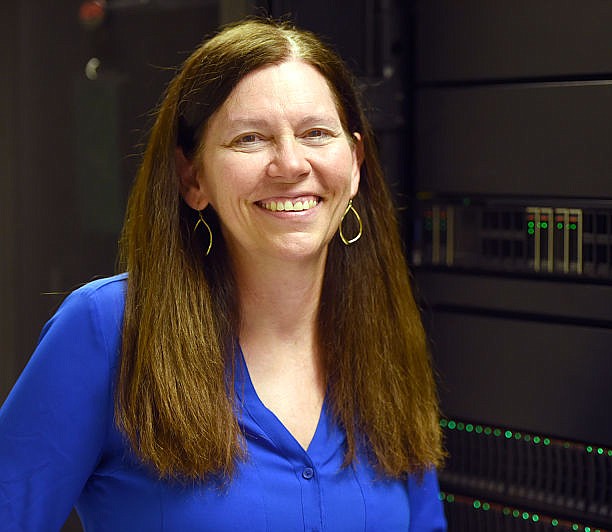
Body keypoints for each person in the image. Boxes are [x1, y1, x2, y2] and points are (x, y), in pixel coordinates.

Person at [0, 18, 446, 531]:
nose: (290, 163)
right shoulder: (108, 329)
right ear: (193, 178)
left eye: (316, 133)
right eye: (250, 139)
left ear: (356, 164)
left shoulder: (383, 338)